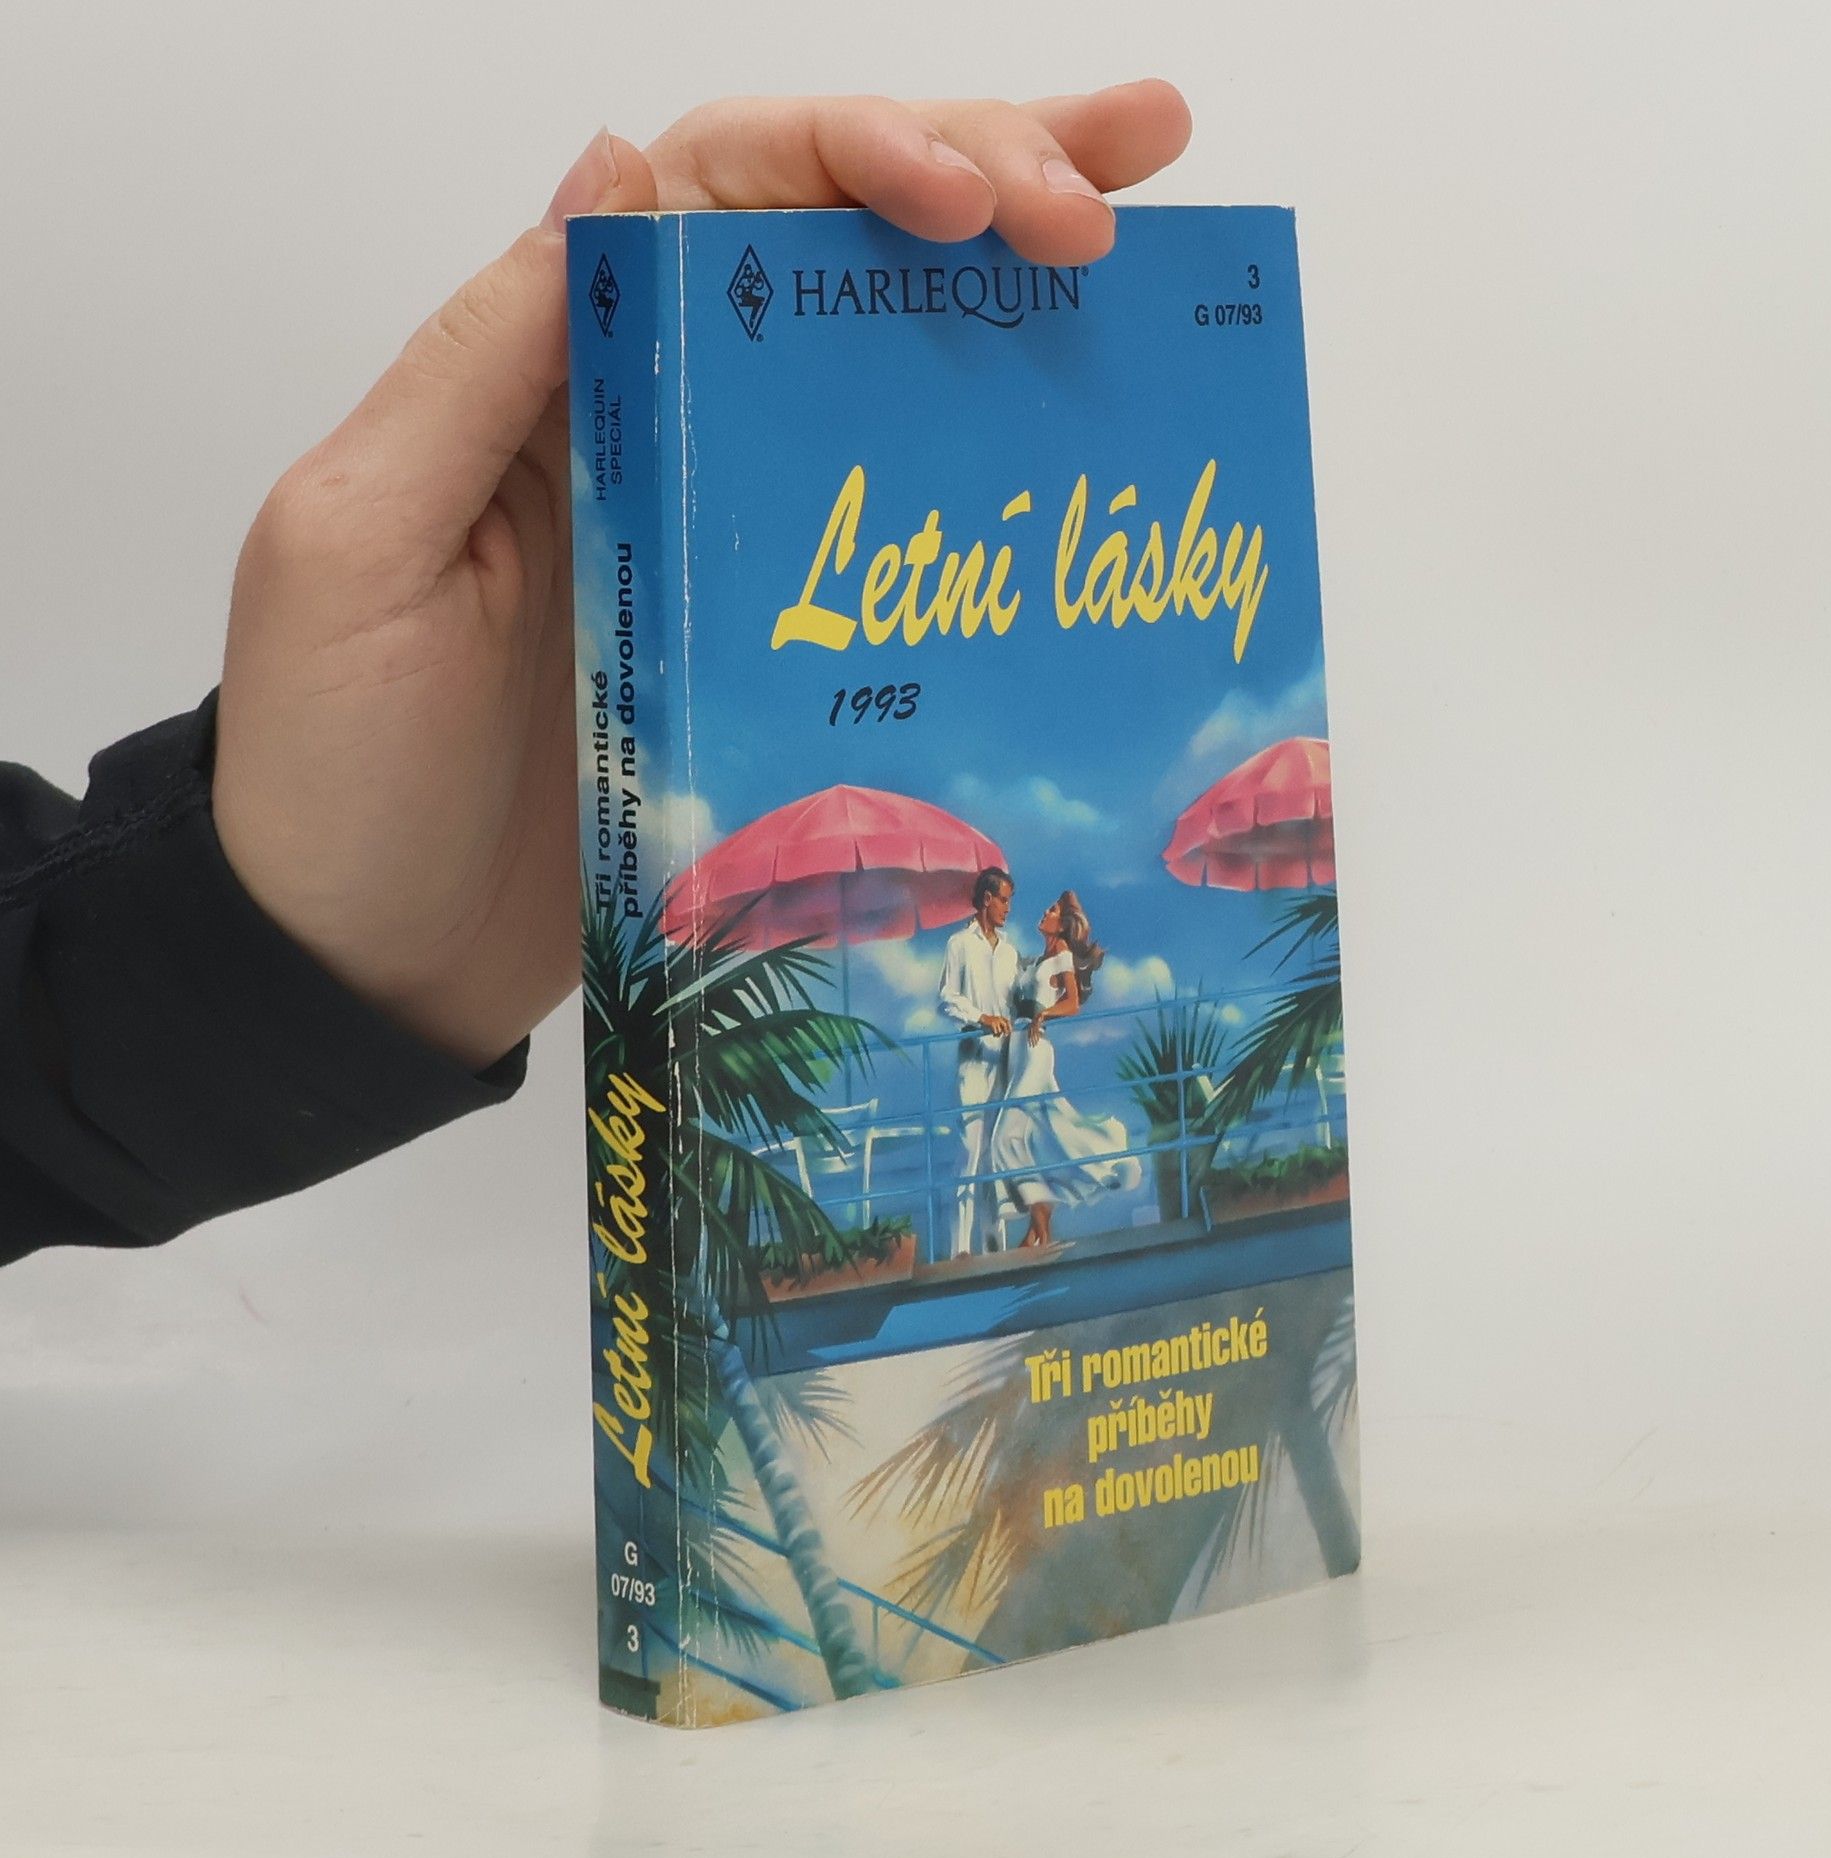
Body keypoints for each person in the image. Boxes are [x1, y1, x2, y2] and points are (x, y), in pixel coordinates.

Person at [0, 85, 1193, 1268]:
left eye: (999, 898)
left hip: (992, 1056)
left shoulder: (1007, 942)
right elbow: (963, 1003)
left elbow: (1043, 997)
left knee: (1015, 1149)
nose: (996, 905)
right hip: (971, 1055)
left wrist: (245, 936)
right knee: (980, 1158)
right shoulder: (969, 951)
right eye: (996, 897)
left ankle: (1026, 1238)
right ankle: (990, 1244)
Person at [989, 889, 1140, 1251]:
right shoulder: (1040, 958)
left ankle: (1041, 1219)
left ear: (1063, 924)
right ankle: (1035, 1231)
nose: (1045, 912)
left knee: (1005, 1138)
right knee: (1046, 1132)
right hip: (1017, 1051)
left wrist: (1044, 1014)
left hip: (1035, 1050)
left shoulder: (1061, 955)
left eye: (1052, 910)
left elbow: (1072, 1003)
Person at [935, 866, 1024, 1259]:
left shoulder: (1010, 952)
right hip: (973, 1062)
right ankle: (960, 1252)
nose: (1007, 908)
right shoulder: (959, 944)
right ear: (987, 899)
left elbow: (1016, 1003)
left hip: (1004, 1063)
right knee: (970, 1154)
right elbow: (946, 998)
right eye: (1003, 900)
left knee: (996, 1158)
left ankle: (994, 1249)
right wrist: (981, 1018)